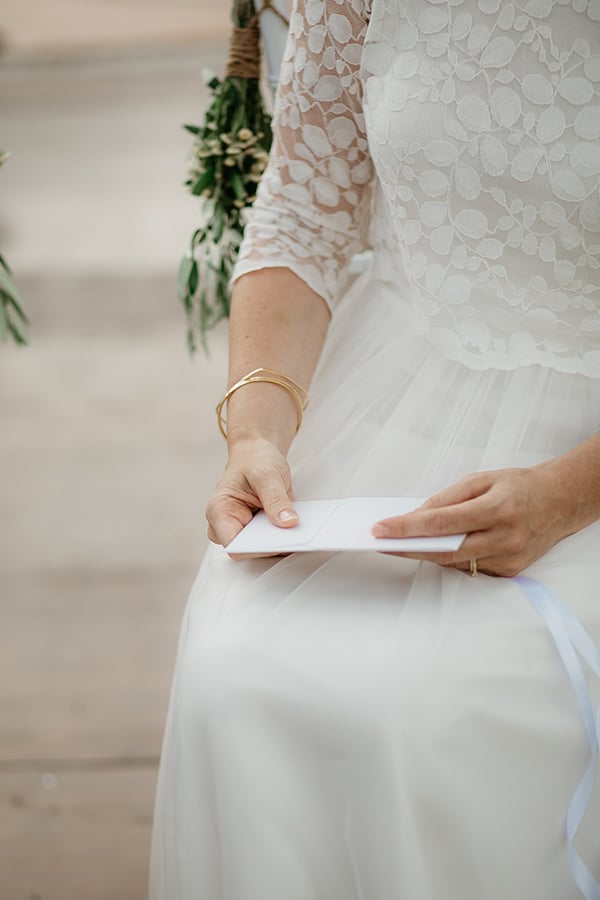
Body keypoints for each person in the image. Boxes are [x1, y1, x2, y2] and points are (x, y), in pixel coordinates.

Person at [150, 1, 600, 897]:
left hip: (584, 448)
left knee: (416, 717)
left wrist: (564, 495)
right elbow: (301, 213)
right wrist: (256, 430)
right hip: (397, 388)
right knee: (235, 680)